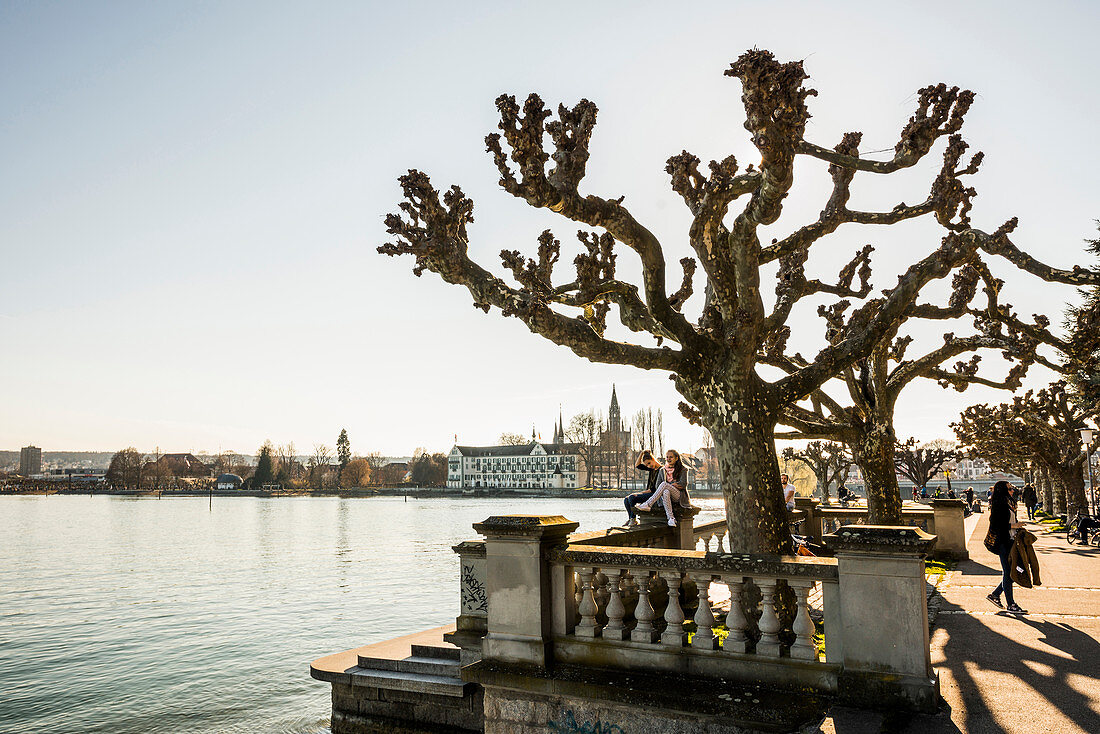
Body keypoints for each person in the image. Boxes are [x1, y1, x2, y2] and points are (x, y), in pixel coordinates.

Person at [986, 480, 1028, 614]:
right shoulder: (999, 505)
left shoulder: (1009, 503)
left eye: (1012, 488)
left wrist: (1017, 528)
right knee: (1010, 572)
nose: (1012, 491)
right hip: (1002, 542)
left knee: (1012, 571)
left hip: (1011, 541)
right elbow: (996, 525)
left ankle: (995, 594)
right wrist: (1014, 526)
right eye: (1010, 489)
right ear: (1003, 491)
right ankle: (1010, 604)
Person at [636, 449, 686, 527]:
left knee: (664, 485)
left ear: (676, 458)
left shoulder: (683, 469)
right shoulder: (663, 470)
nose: (668, 459)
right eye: (667, 457)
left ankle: (648, 504)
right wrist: (673, 485)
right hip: (668, 495)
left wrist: (670, 485)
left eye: (671, 457)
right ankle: (671, 519)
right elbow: (658, 486)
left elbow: (683, 484)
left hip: (679, 496)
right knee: (666, 491)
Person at [623, 450, 661, 526]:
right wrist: (642, 453)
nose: (649, 466)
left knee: (632, 498)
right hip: (650, 493)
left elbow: (654, 489)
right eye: (646, 465)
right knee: (626, 500)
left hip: (655, 495)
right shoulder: (652, 469)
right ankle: (631, 519)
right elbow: (637, 465)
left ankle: (633, 519)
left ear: (653, 459)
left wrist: (639, 493)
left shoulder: (661, 470)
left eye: (649, 463)